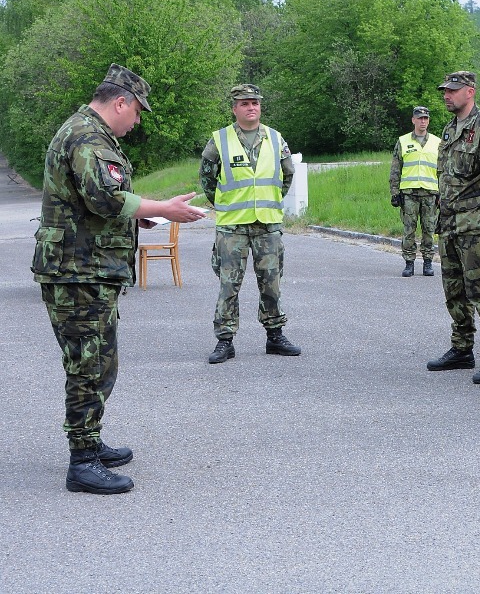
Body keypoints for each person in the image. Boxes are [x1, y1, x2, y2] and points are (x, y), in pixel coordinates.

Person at [33, 64, 206, 494]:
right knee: (89, 364)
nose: (138, 121)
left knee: (100, 360)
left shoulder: (88, 133)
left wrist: (142, 217)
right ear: (120, 102)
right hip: (78, 271)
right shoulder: (88, 136)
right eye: (137, 111)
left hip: (85, 267)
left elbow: (96, 204)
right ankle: (83, 460)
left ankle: (90, 441)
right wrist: (163, 208)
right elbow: (105, 196)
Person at [200, 84, 301, 364]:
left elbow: (286, 175)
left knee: (271, 283)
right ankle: (225, 341)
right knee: (228, 285)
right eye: (244, 103)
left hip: (267, 225)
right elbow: (207, 180)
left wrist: (269, 200)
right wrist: (226, 204)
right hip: (232, 226)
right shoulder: (219, 140)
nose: (251, 107)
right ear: (234, 108)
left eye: (255, 102)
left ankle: (275, 336)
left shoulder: (275, 138)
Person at [426, 71, 480, 385]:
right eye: (445, 91)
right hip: (449, 223)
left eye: (453, 90)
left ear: (470, 92)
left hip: (476, 225)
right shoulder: (451, 129)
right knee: (454, 290)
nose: (447, 96)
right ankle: (462, 348)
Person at [389, 105, 440, 277]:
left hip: (430, 193)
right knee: (408, 230)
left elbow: (443, 170)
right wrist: (394, 192)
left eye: (425, 118)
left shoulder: (437, 142)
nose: (423, 121)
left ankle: (427, 262)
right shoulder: (403, 141)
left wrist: (443, 193)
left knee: (429, 230)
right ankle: (409, 263)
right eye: (419, 118)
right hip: (409, 193)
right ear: (413, 120)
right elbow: (396, 169)